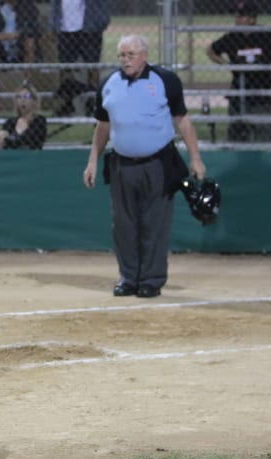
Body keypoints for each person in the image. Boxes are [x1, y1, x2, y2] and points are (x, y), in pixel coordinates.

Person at [82, 35, 206, 298]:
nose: (125, 60)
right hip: (122, 164)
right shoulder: (108, 84)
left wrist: (195, 158)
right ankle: (128, 278)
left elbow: (182, 120)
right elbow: (103, 125)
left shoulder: (165, 80)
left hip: (158, 163)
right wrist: (93, 160)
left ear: (144, 56)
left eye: (131, 55)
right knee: (123, 224)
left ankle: (151, 279)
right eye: (122, 55)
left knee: (155, 224)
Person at [206, 0, 271, 142]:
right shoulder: (232, 36)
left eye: (241, 16)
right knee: (237, 135)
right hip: (238, 91)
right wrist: (227, 65)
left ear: (252, 19)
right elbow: (211, 50)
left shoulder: (267, 34)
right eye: (236, 15)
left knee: (265, 135)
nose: (237, 19)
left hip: (263, 93)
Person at [49, 0, 111, 115]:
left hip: (90, 27)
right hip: (65, 30)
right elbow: (55, 5)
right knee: (65, 68)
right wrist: (54, 25)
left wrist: (103, 20)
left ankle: (92, 102)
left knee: (93, 66)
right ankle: (67, 102)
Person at [0, 0, 42, 92]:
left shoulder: (28, 5)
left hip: (20, 43)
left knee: (30, 43)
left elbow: (34, 27)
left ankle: (27, 82)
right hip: (2, 44)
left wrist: (18, 34)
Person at [0, 83, 47, 149]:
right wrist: (0, 136)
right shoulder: (11, 122)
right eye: (19, 97)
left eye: (27, 96)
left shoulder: (39, 120)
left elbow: (29, 140)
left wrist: (7, 140)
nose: (22, 100)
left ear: (34, 101)